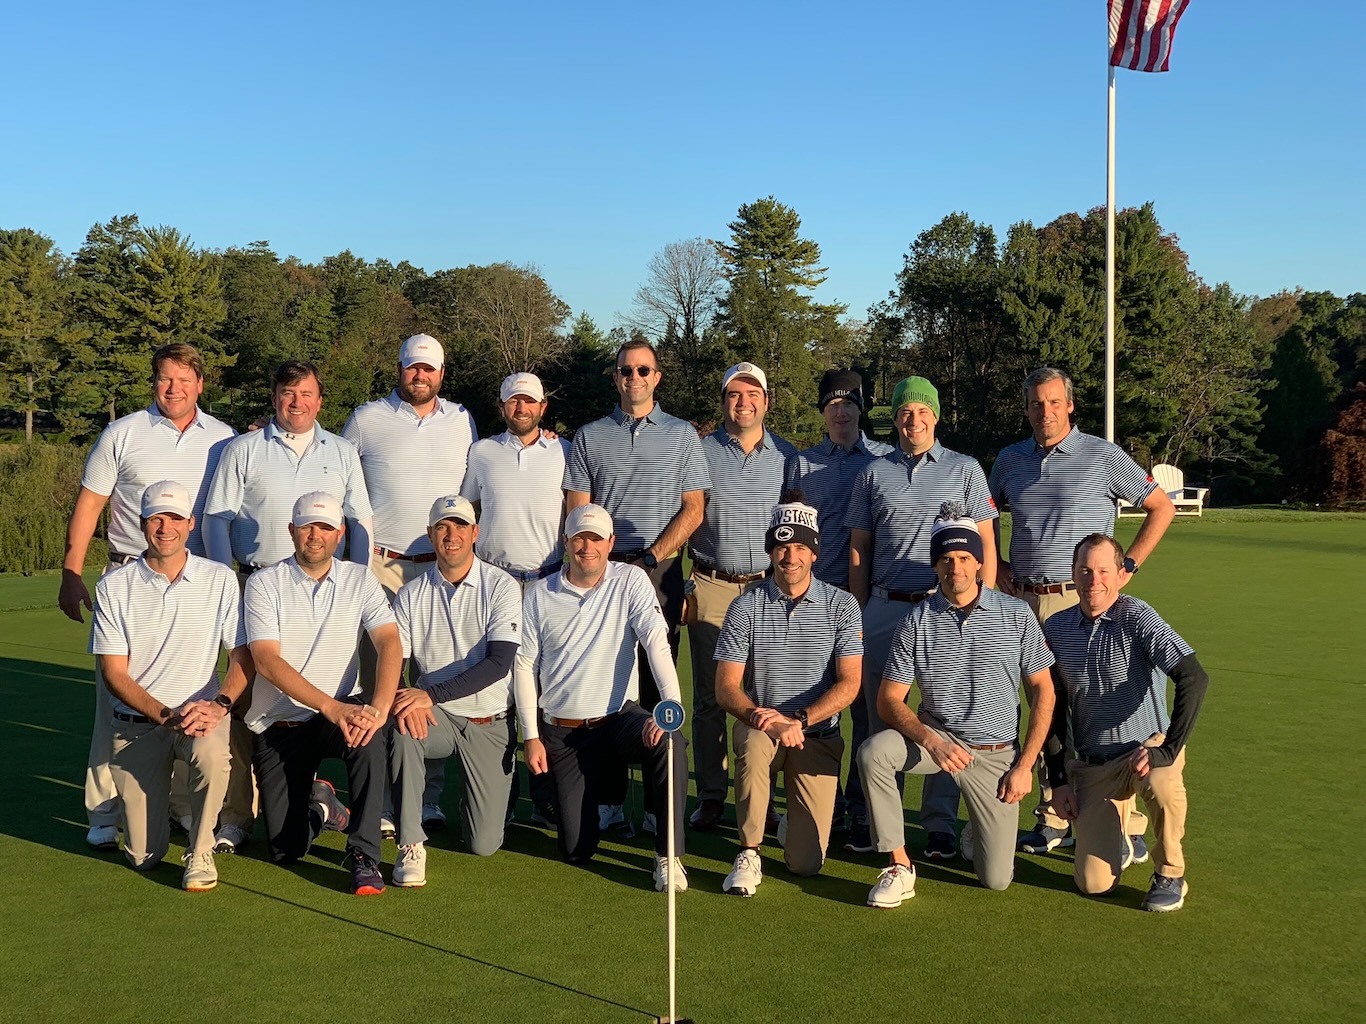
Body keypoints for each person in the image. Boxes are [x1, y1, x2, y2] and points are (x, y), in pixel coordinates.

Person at [986, 366, 1175, 855]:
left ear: (1070, 405)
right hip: (1021, 600)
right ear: (1026, 408)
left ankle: (1125, 822)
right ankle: (1053, 813)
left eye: (1053, 402)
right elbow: (986, 517)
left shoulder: (1104, 455)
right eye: (1035, 403)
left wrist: (1127, 565)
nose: (1044, 412)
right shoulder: (1009, 460)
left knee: (1095, 705)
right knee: (1041, 707)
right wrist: (998, 563)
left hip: (1082, 597)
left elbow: (1161, 507)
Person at [58, 343, 237, 850]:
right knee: (113, 702)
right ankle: (104, 808)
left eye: (184, 380)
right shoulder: (123, 432)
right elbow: (90, 504)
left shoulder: (223, 439)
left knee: (195, 692)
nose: (174, 389)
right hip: (130, 579)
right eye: (164, 379)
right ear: (153, 382)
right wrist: (72, 571)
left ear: (201, 384)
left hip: (198, 585)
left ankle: (181, 804)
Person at [202, 359, 374, 855]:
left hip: (326, 588)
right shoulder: (243, 448)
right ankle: (237, 814)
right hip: (258, 585)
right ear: (274, 396)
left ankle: (317, 793)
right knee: (243, 696)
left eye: (305, 394)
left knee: (326, 690)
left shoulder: (342, 451)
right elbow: (217, 518)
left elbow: (358, 522)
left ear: (320, 400)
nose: (295, 403)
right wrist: (225, 581)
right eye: (286, 393)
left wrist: (353, 582)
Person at [857, 506, 1054, 907]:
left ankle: (976, 832)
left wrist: (1025, 766)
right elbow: (888, 700)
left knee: (996, 879)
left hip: (996, 755)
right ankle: (898, 864)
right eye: (946, 559)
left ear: (981, 562)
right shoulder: (916, 620)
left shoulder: (1016, 614)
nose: (956, 568)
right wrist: (932, 742)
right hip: (939, 742)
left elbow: (1043, 693)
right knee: (874, 752)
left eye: (965, 558)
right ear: (935, 564)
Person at [844, 375, 997, 854]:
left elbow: (986, 544)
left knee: (947, 716)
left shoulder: (965, 468)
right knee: (873, 715)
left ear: (936, 415)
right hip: (886, 606)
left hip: (946, 609)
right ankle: (872, 820)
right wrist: (860, 608)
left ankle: (938, 824)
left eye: (922, 411)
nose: (914, 420)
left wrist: (981, 605)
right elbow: (859, 547)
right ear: (895, 419)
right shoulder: (873, 472)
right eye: (905, 412)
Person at [563, 338, 709, 832]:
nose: (635, 378)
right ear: (616, 377)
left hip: (657, 569)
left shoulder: (683, 435)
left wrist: (652, 557)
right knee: (602, 682)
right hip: (599, 568)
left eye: (643, 370)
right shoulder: (589, 435)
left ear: (657, 377)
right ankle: (607, 800)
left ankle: (654, 809)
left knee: (653, 681)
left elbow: (694, 508)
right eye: (626, 371)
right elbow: (579, 510)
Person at [340, 333, 477, 833]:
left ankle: (426, 798)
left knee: (432, 682)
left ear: (442, 374)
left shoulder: (463, 421)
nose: (420, 376)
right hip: (382, 567)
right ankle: (377, 800)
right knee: (381, 684)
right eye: (412, 367)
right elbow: (344, 489)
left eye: (430, 369)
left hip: (440, 567)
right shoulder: (366, 419)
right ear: (399, 369)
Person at [514, 503, 689, 891]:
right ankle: (594, 811)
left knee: (670, 742)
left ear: (610, 543)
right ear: (566, 542)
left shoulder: (630, 580)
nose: (587, 547)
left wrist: (669, 706)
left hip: (618, 720)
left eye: (595, 539)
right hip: (563, 733)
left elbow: (655, 642)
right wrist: (531, 735)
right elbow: (524, 665)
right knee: (575, 848)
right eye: (579, 538)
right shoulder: (540, 594)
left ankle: (668, 856)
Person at [89, 481, 251, 891]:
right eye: (156, 519)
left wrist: (219, 706)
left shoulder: (220, 579)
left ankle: (200, 853)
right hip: (139, 726)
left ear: (190, 523)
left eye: (175, 518)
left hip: (201, 717)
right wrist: (165, 715)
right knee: (143, 858)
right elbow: (114, 673)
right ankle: (156, 823)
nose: (165, 528)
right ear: (141, 525)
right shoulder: (114, 586)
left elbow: (241, 658)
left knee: (213, 757)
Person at [242, 491, 402, 895]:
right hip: (281, 721)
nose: (316, 535)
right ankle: (322, 805)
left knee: (368, 731)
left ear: (340, 534)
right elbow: (266, 661)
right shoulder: (263, 582)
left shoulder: (359, 578)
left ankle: (365, 853)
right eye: (308, 527)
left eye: (326, 527)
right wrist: (331, 708)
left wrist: (379, 708)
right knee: (285, 848)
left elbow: (388, 641)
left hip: (339, 712)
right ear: (292, 530)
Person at [1043, 534, 1209, 912]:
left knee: (1162, 780)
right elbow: (1052, 708)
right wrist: (1059, 781)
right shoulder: (1056, 628)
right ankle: (1121, 826)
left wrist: (1168, 748)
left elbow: (1194, 677)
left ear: (1120, 575)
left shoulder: (1137, 616)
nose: (1093, 581)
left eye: (1103, 571)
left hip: (1144, 750)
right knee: (1093, 884)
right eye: (1085, 570)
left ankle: (1170, 872)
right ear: (1073, 573)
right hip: (1094, 764)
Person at [713, 497, 862, 895]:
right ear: (770, 552)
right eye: (781, 547)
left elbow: (849, 684)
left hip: (815, 735)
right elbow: (726, 688)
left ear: (814, 552)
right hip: (764, 726)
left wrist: (801, 721)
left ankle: (787, 825)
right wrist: (770, 719)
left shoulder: (842, 605)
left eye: (798, 547)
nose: (789, 556)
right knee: (753, 743)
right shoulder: (746, 605)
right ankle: (749, 851)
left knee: (805, 864)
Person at [387, 496, 522, 887]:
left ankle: (472, 803)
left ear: (475, 533)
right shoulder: (411, 594)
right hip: (440, 718)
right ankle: (410, 842)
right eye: (443, 527)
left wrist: (428, 694)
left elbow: (499, 663)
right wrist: (403, 696)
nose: (452, 535)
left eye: (461, 526)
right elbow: (394, 659)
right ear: (430, 535)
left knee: (483, 843)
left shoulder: (501, 586)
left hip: (490, 719)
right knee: (403, 727)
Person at [686, 362, 796, 832]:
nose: (744, 402)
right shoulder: (698, 451)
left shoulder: (789, 457)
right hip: (712, 584)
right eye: (734, 394)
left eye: (753, 394)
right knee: (713, 698)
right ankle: (712, 794)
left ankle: (760, 799)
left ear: (766, 402)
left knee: (764, 696)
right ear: (724, 400)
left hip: (768, 589)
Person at [461, 371, 567, 826]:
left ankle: (544, 797)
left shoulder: (564, 451)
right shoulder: (482, 452)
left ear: (542, 407)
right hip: (496, 584)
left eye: (529, 402)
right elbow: (466, 509)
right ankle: (498, 796)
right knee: (498, 689)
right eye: (512, 402)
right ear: (502, 407)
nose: (520, 408)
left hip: (549, 583)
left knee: (543, 691)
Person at [783, 368, 893, 591]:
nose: (841, 412)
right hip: (816, 588)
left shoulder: (886, 458)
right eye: (833, 405)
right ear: (822, 411)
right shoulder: (801, 463)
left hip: (875, 589)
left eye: (849, 404)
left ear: (860, 408)